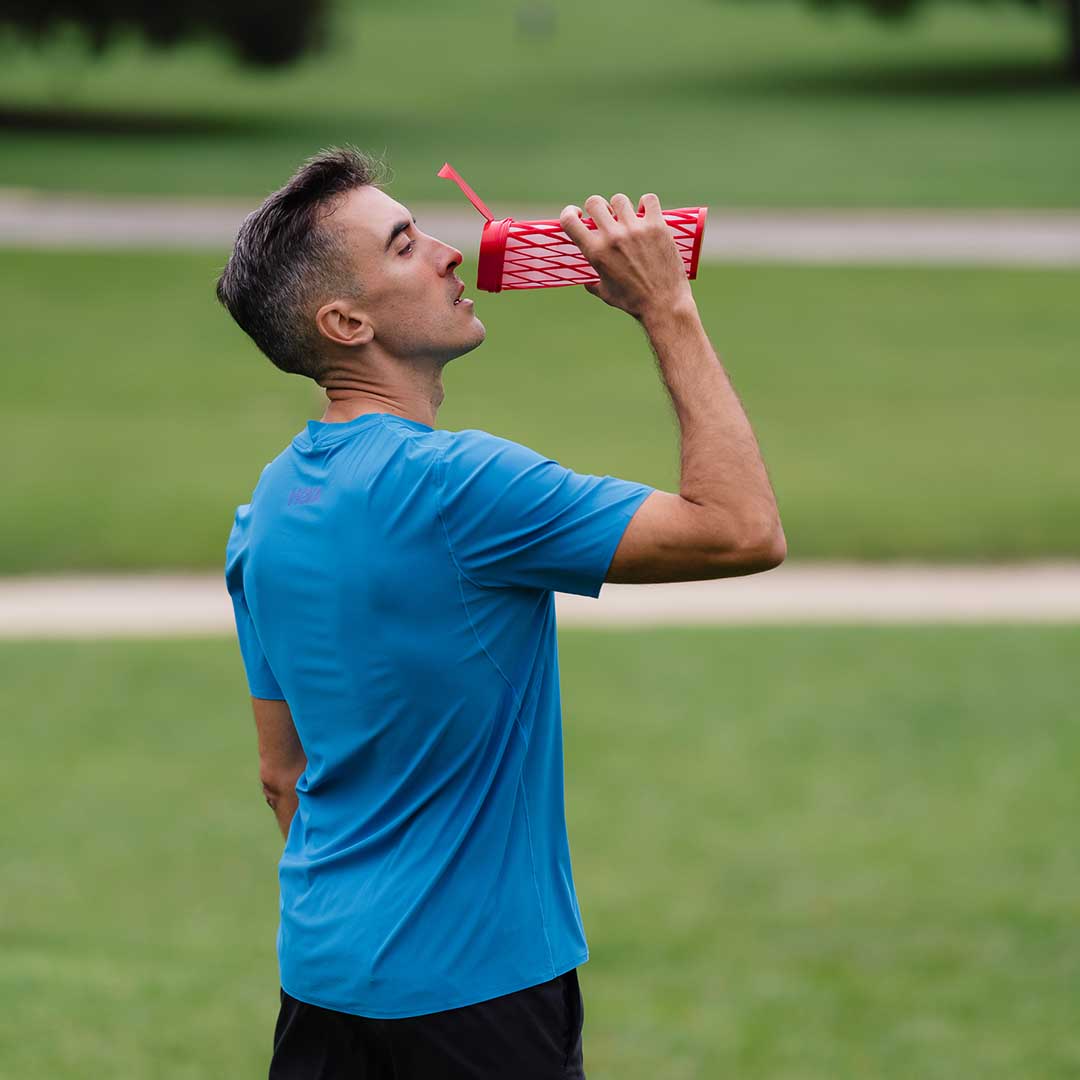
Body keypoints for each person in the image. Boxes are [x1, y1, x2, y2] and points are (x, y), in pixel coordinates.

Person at [215, 146, 785, 1080]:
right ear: (344, 320)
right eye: (404, 245)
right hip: (477, 995)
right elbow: (740, 530)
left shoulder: (264, 511)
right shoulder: (461, 487)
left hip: (322, 978)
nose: (449, 252)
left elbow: (284, 778)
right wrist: (666, 306)